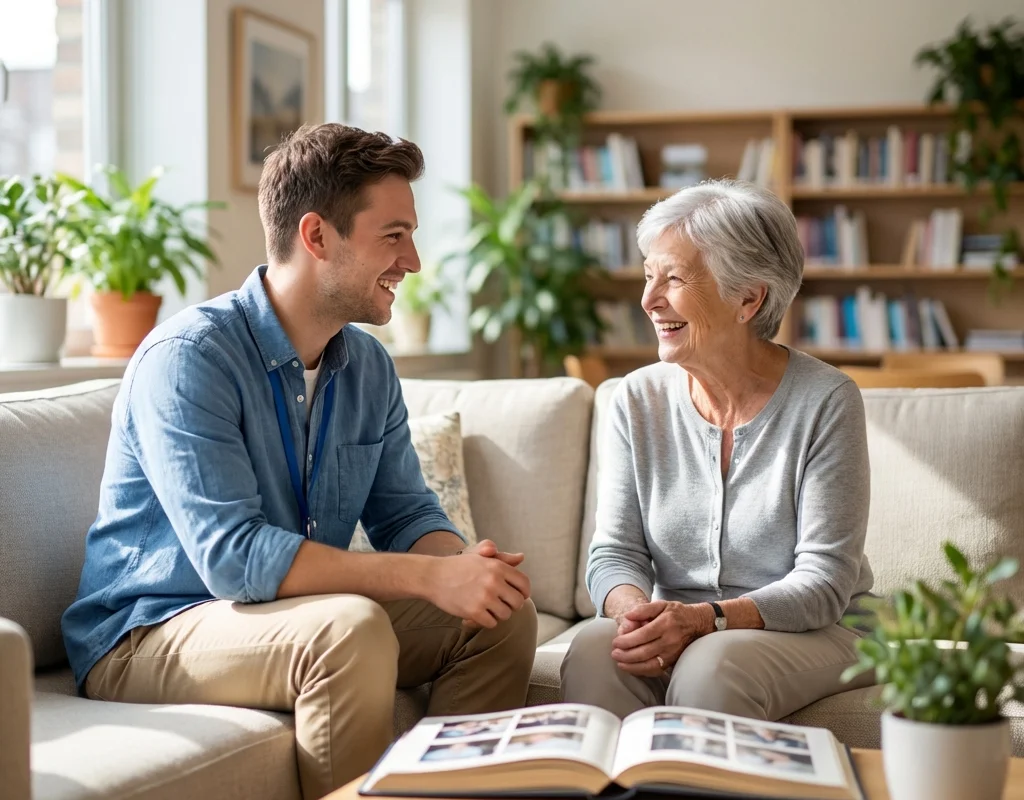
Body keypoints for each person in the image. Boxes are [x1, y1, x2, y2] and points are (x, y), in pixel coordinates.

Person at [61, 123, 538, 800]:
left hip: (286, 612)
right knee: (350, 629)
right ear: (317, 237)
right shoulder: (191, 358)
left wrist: (462, 571)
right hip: (151, 627)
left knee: (503, 613)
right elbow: (233, 559)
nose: (415, 261)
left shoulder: (367, 366)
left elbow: (406, 513)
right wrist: (426, 580)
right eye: (394, 236)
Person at [560, 179, 874, 721]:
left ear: (748, 299)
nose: (649, 299)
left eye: (674, 278)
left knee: (712, 665)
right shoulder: (636, 398)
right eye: (648, 275)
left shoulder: (827, 401)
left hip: (821, 628)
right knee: (595, 648)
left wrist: (708, 620)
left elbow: (823, 584)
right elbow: (614, 553)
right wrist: (638, 617)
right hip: (684, 622)